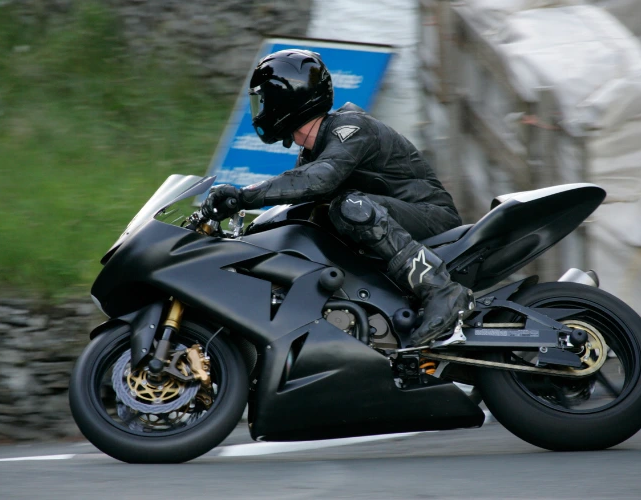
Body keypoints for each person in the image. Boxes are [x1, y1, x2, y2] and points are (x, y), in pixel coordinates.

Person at [201, 49, 474, 346]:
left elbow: (321, 179)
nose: (261, 108)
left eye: (265, 99)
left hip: (432, 216)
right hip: (397, 221)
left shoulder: (352, 127)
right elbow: (299, 194)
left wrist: (242, 196)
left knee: (349, 207)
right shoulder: (312, 156)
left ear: (287, 98)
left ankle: (442, 291)